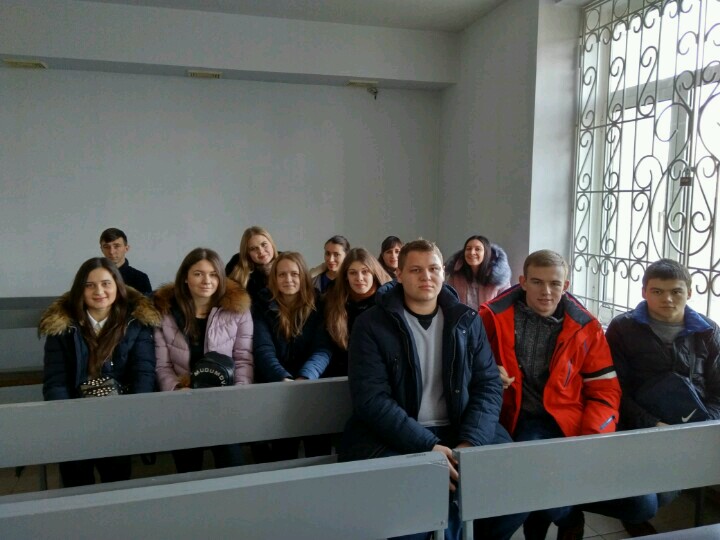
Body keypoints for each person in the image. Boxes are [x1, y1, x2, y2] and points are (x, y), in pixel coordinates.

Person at [340, 239, 519, 540]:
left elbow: (488, 384)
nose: (426, 276)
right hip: (397, 435)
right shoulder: (371, 324)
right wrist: (427, 448)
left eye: (434, 269)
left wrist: (470, 443)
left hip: (460, 429)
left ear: (443, 273)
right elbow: (371, 399)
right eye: (415, 270)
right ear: (399, 275)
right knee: (409, 517)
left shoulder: (466, 319)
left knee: (517, 492)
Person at [480, 249, 654, 539]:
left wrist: (591, 440)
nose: (546, 292)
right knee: (535, 470)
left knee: (642, 505)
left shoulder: (586, 326)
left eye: (555, 284)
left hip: (573, 423)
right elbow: (468, 369)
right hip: (517, 421)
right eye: (537, 282)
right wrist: (486, 373)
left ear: (566, 286)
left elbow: (605, 389)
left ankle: (558, 512)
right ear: (522, 282)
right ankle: (567, 516)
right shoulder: (491, 317)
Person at [606, 258, 720, 536]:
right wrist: (653, 425)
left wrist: (703, 425)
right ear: (644, 292)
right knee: (645, 503)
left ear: (689, 292)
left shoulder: (707, 330)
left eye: (676, 291)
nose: (667, 299)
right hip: (639, 429)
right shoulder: (623, 328)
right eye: (657, 291)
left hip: (693, 429)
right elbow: (615, 390)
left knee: (664, 493)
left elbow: (718, 390)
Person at [39, 257, 160, 487]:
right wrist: (67, 419)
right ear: (80, 290)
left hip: (119, 416)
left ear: (118, 286)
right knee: (77, 483)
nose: (99, 291)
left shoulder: (135, 323)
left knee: (116, 482)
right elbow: (55, 380)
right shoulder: (62, 326)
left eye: (106, 284)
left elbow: (143, 372)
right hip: (75, 417)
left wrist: (134, 414)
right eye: (90, 285)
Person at [154, 247, 253, 473]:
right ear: (185, 278)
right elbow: (162, 365)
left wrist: (238, 393)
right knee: (188, 469)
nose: (206, 281)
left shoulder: (238, 310)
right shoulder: (165, 312)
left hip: (224, 400)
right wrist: (177, 389)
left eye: (213, 274)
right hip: (183, 400)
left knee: (232, 466)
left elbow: (243, 359)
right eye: (198, 274)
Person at [253, 251, 334, 460]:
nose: (288, 279)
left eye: (294, 274)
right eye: (282, 274)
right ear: (274, 278)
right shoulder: (261, 305)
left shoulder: (320, 304)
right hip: (278, 387)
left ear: (303, 276)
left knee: (318, 452)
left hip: (313, 386)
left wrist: (305, 378)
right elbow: (263, 349)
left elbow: (323, 348)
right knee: (283, 452)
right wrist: (283, 378)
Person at [324, 247, 393, 377]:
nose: (359, 278)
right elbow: (327, 346)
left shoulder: (388, 300)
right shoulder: (333, 299)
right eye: (353, 273)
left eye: (365, 272)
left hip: (379, 374)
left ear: (374, 273)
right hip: (341, 374)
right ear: (346, 276)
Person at [444, 235, 511, 310]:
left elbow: (506, 305)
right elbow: (449, 302)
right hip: (462, 317)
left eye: (477, 249)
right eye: (468, 249)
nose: (472, 252)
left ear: (486, 253)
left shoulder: (499, 277)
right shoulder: (456, 275)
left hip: (490, 317)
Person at [226, 226, 279, 304]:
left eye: (264, 244)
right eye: (253, 248)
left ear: (271, 244)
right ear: (247, 253)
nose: (261, 251)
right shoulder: (237, 273)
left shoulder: (288, 265)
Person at [99, 228, 152, 294]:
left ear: (126, 248)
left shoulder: (140, 278)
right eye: (106, 247)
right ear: (102, 249)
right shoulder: (94, 277)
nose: (111, 252)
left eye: (116, 246)